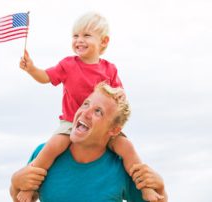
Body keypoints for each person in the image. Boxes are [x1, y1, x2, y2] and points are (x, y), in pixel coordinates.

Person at [18, 12, 161, 201]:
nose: (79, 40)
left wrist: (120, 97)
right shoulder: (68, 65)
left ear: (103, 42)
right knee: (52, 147)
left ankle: (146, 188)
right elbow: (46, 77)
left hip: (102, 127)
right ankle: (29, 188)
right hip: (71, 122)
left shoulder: (109, 69)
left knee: (127, 147)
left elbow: (119, 97)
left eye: (86, 35)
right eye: (75, 36)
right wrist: (32, 69)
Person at [10, 82, 168, 202]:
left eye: (98, 111)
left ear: (113, 130)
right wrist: (15, 182)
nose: (85, 113)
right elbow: (23, 197)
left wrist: (160, 188)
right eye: (86, 104)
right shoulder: (44, 154)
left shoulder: (121, 167)